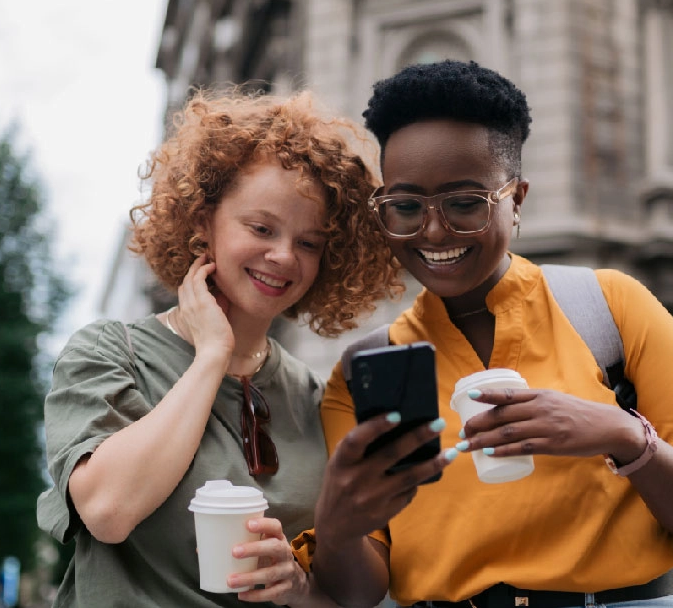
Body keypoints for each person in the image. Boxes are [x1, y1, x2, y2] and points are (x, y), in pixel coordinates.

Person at [307, 60, 673, 608]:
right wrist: (338, 527)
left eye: (465, 204)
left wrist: (620, 434)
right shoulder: (367, 371)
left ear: (517, 199)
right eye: (406, 207)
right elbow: (358, 592)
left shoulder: (610, 308)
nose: (433, 230)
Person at [36, 89, 400, 608]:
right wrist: (211, 356)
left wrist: (299, 588)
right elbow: (108, 511)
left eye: (309, 243)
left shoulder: (316, 398)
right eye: (261, 228)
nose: (283, 257)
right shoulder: (111, 353)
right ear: (203, 221)